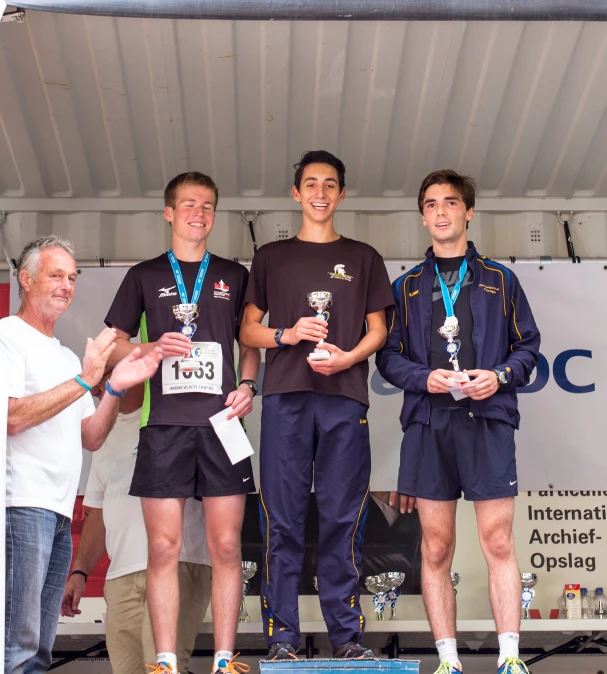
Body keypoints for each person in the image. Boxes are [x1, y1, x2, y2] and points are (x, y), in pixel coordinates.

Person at [376, 170, 541, 674]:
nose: (442, 211)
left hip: (487, 418)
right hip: (429, 422)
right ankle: (448, 660)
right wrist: (423, 380)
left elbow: (528, 348)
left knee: (497, 540)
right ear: (422, 215)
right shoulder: (404, 286)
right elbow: (388, 356)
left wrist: (499, 375)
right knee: (436, 544)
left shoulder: (500, 278)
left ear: (469, 212)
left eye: (451, 202)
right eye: (431, 204)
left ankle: (510, 656)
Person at [104, 171, 260, 674]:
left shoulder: (234, 275)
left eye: (208, 205)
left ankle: (223, 659)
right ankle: (166, 661)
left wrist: (248, 386)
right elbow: (114, 343)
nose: (199, 212)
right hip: (164, 426)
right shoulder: (144, 275)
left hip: (221, 426)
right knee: (164, 546)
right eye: (189, 204)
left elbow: (251, 342)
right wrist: (150, 347)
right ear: (169, 213)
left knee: (226, 545)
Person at [240, 150, 393, 659]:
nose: (320, 193)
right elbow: (248, 329)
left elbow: (379, 330)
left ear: (342, 194)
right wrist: (287, 334)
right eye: (311, 184)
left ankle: (347, 638)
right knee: (281, 519)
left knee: (340, 517)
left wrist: (347, 356)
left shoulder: (365, 256)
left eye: (330, 185)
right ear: (296, 193)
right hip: (285, 397)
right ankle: (281, 640)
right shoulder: (271, 257)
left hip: (344, 398)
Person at [1, 234, 162, 674]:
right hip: (19, 507)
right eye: (56, 275)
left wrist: (113, 386)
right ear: (26, 279)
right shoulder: (7, 337)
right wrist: (86, 377)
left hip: (54, 513)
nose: (66, 285)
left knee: (39, 648)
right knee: (17, 645)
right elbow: (11, 418)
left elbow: (90, 436)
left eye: (73, 277)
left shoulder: (67, 357)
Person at [61, 378, 212, 674]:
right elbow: (99, 511)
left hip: (177, 564)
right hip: (121, 579)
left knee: (164, 666)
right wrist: (79, 571)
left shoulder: (175, 417)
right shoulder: (102, 435)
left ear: (130, 375)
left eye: (102, 378)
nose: (94, 389)